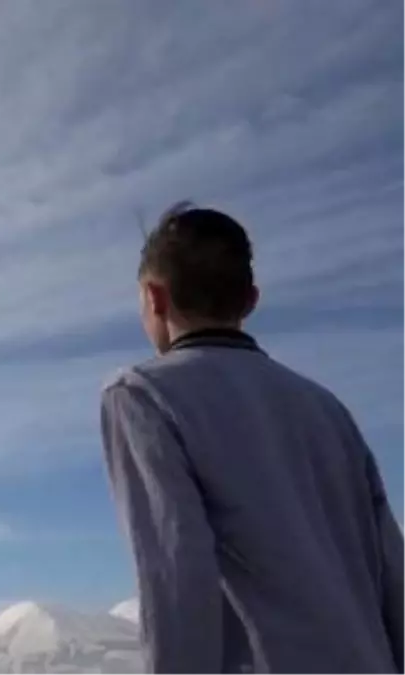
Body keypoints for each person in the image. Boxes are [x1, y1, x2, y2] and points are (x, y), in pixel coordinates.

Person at [100, 202, 405, 675]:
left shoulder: (143, 395)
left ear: (153, 298)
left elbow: (177, 573)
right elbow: (392, 570)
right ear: (250, 300)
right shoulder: (325, 407)